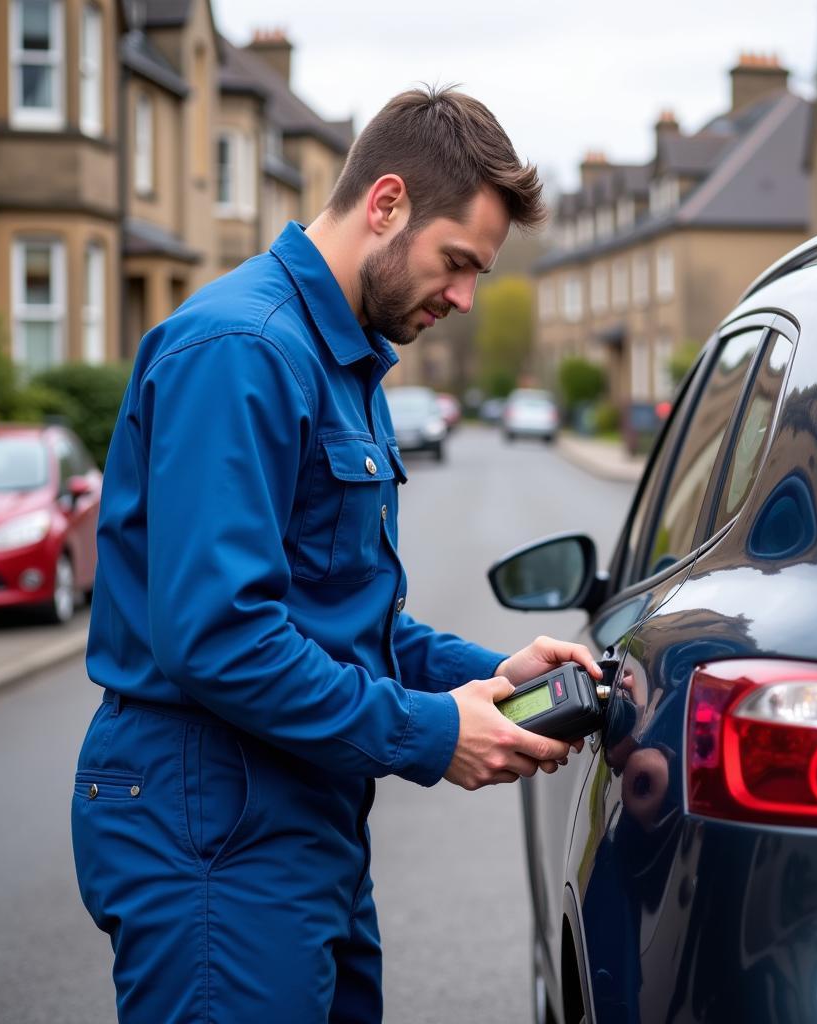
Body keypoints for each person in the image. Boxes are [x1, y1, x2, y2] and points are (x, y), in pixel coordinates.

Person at [71, 85, 602, 1023]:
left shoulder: (341, 357)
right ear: (386, 203)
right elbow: (221, 640)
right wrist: (436, 734)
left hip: (300, 817)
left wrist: (493, 676)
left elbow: (343, 620)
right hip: (213, 828)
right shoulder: (242, 350)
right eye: (458, 262)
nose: (466, 298)